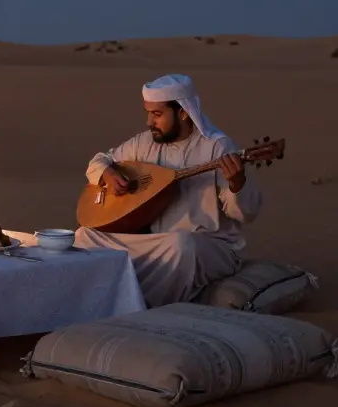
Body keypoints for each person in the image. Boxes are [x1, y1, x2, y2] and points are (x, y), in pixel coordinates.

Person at [78, 74, 263, 307]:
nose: (149, 122)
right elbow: (100, 160)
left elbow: (245, 213)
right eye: (148, 113)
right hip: (155, 242)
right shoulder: (144, 144)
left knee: (180, 246)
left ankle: (135, 307)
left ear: (183, 112)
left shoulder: (217, 147)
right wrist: (106, 173)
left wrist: (237, 183)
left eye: (157, 114)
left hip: (209, 245)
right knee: (85, 236)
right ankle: (102, 298)